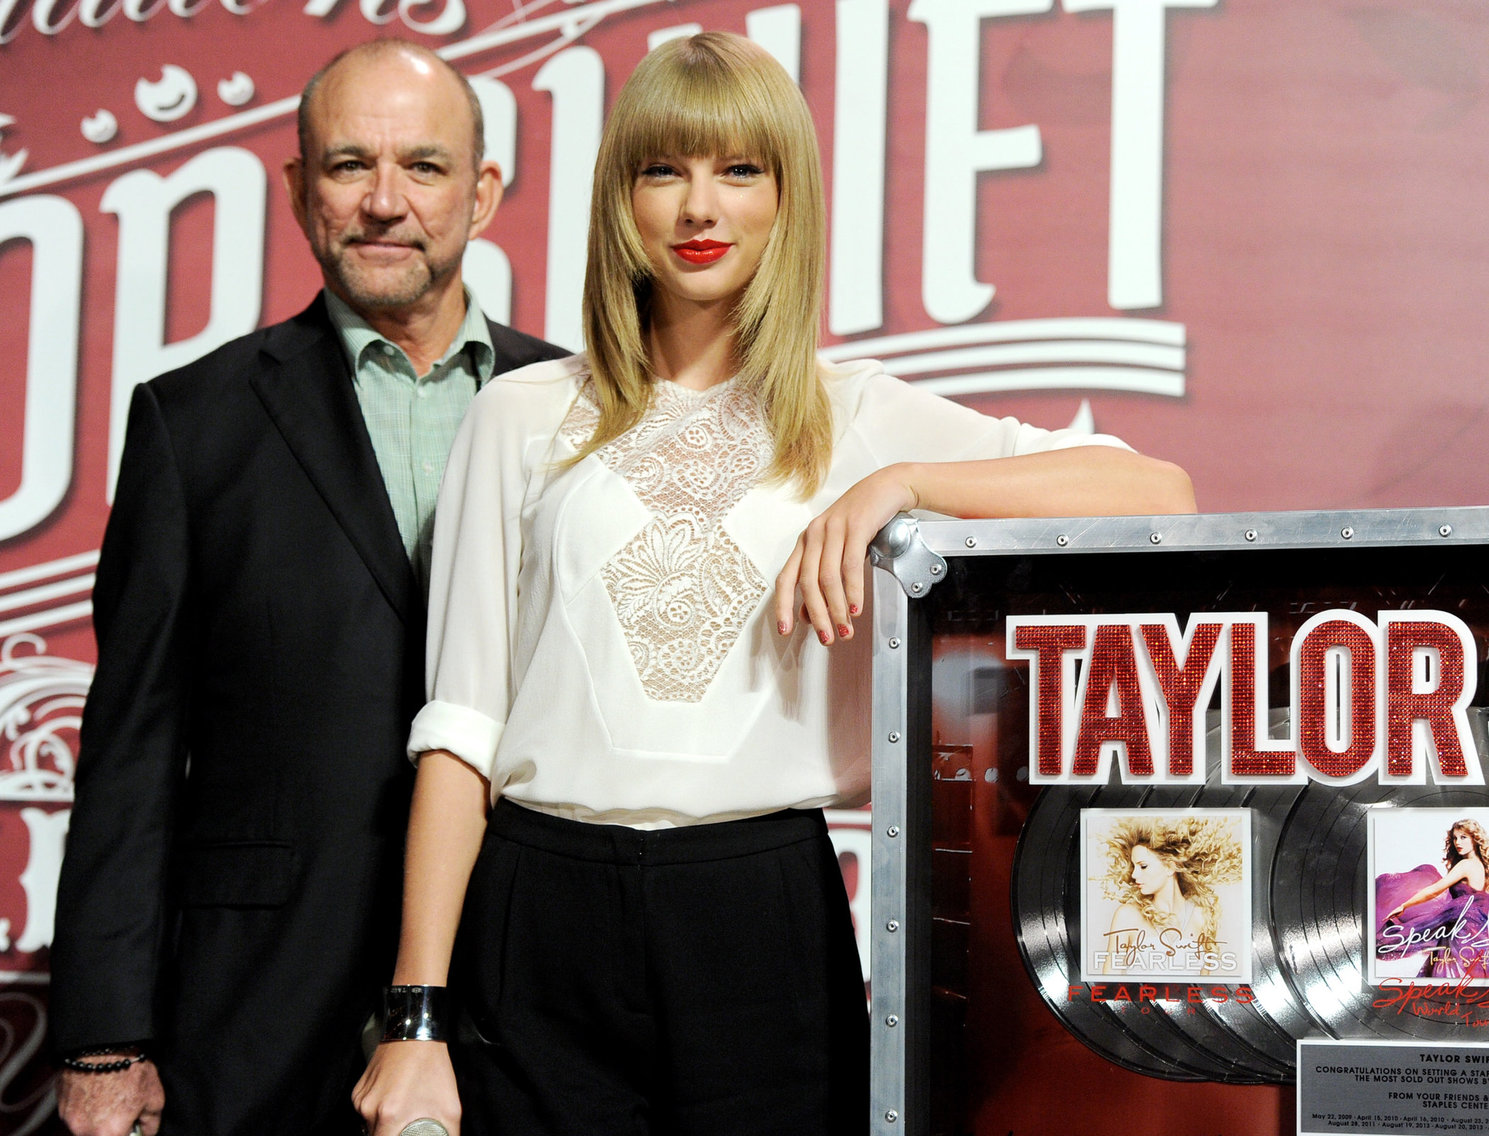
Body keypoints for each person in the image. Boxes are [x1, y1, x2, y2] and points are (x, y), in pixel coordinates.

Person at [353, 31, 1195, 1136]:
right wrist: (416, 1017)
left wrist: (904, 481)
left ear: (787, 199)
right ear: (621, 198)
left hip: (759, 907)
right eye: (666, 170)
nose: (700, 208)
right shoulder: (518, 411)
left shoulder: (854, 414)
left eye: (739, 171)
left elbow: (1158, 490)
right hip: (536, 906)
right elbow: (459, 728)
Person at [49, 39, 567, 1136]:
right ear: (296, 192)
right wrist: (104, 1035)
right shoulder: (193, 425)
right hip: (261, 1006)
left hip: (535, 989)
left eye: (423, 168)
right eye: (348, 166)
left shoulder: (580, 408)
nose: (385, 202)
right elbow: (133, 749)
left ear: (482, 192)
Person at [1097, 816, 1243, 977]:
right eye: (1134, 866)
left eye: (1143, 866)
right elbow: (1109, 986)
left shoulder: (1202, 917)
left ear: (1170, 867)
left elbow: (1203, 988)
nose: (1134, 874)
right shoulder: (1127, 916)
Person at [1377, 818, 1489, 978]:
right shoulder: (1482, 867)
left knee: (1450, 974)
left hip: (1462, 932)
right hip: (1478, 931)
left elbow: (1434, 890)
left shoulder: (1467, 865)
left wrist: (1405, 905)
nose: (1458, 842)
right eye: (1455, 838)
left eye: (1464, 837)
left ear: (1475, 838)